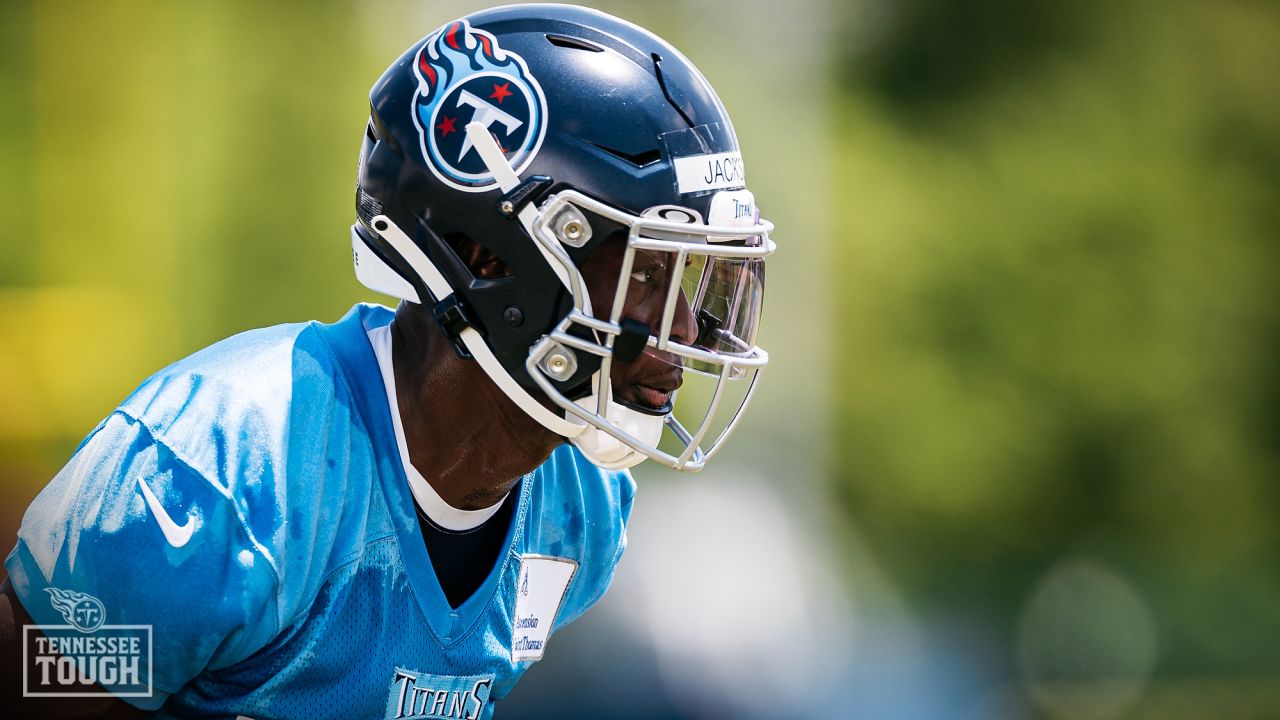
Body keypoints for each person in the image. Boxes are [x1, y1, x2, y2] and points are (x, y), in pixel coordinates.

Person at [0, 4, 774, 718]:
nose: (688, 333)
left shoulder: (581, 510)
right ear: (489, 258)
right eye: (648, 274)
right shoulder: (227, 468)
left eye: (699, 282)